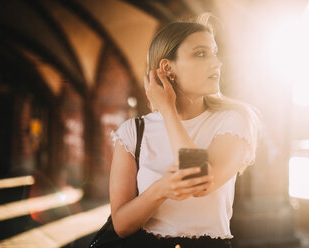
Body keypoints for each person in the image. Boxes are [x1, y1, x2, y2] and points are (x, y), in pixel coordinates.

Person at [110, 14, 260, 248]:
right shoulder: (133, 132)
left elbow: (198, 181)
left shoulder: (233, 121)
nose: (216, 63)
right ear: (167, 68)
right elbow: (121, 225)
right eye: (201, 53)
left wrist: (167, 111)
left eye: (214, 52)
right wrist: (161, 190)